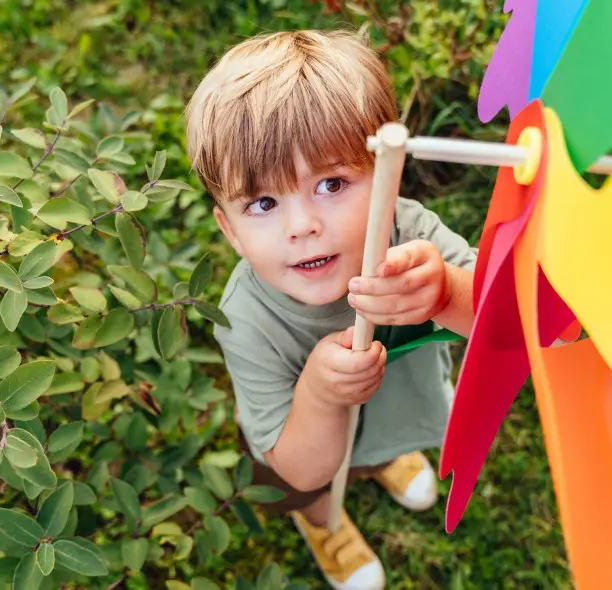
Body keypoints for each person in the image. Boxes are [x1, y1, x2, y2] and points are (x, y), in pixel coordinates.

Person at [184, 29, 479, 590]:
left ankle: (384, 458)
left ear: (389, 184)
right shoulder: (246, 318)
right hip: (304, 448)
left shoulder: (410, 237)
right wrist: (320, 393)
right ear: (231, 231)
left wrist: (447, 295)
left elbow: (515, 326)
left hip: (397, 410)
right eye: (264, 203)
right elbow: (298, 467)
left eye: (332, 183)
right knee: (316, 489)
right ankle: (324, 526)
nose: (302, 227)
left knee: (373, 450)